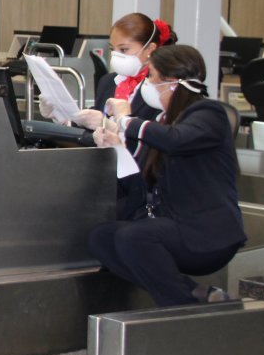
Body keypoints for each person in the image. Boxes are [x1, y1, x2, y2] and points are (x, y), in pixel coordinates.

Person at [88, 44, 246, 307]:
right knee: (102, 237)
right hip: (175, 225)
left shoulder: (208, 113)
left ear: (172, 83)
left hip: (207, 233)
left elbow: (176, 141)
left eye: (151, 77)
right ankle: (191, 296)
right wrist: (116, 148)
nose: (147, 84)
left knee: (134, 237)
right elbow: (142, 184)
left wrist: (127, 121)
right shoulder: (164, 121)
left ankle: (180, 306)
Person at [43, 13, 176, 218]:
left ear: (150, 50)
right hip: (101, 172)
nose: (116, 56)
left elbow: (151, 144)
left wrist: (112, 125)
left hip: (136, 181)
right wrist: (64, 118)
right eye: (113, 49)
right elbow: (91, 134)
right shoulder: (109, 82)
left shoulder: (159, 90)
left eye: (124, 50)